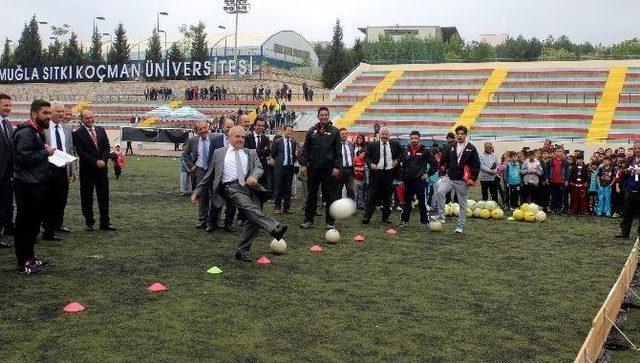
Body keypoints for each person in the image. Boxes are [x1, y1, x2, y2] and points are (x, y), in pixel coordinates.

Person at [191, 126, 288, 262]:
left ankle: (241, 251)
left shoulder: (250, 152)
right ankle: (275, 228)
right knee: (250, 208)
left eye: (242, 137)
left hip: (250, 188)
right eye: (237, 136)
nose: (240, 139)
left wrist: (254, 176)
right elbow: (208, 175)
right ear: (230, 137)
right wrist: (197, 191)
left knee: (253, 220)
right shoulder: (219, 153)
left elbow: (259, 167)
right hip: (231, 187)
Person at [13, 100, 56, 274]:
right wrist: (45, 152)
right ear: (34, 113)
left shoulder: (38, 132)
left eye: (49, 113)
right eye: (45, 113)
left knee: (33, 225)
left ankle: (30, 258)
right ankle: (22, 263)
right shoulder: (26, 133)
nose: (48, 117)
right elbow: (23, 159)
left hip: (37, 183)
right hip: (27, 185)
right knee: (25, 224)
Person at [299, 107, 342, 230]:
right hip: (313, 169)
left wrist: (336, 167)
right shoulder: (311, 131)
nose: (323, 117)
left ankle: (330, 222)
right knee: (312, 195)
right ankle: (308, 220)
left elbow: (338, 151)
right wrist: (303, 164)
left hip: (329, 169)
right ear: (318, 116)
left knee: (330, 196)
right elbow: (306, 149)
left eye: (325, 115)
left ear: (328, 116)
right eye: (321, 115)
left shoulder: (335, 131)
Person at [73, 110, 116, 231]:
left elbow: (106, 147)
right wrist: (95, 161)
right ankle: (89, 221)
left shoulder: (101, 130)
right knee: (87, 197)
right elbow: (81, 152)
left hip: (102, 170)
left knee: (104, 196)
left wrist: (103, 160)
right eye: (87, 118)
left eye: (91, 117)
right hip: (87, 170)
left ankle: (105, 222)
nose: (90, 119)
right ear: (82, 120)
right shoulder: (77, 134)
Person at [433, 125, 480, 233]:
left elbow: (476, 165)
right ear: (455, 135)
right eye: (458, 134)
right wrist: (443, 171)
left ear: (465, 135)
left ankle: (460, 226)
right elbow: (444, 160)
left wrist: (472, 178)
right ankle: (441, 216)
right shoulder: (450, 146)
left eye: (462, 134)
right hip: (449, 177)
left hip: (462, 180)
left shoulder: (471, 148)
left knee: (462, 204)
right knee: (440, 191)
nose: (459, 136)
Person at [42, 103, 75, 241]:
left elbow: (70, 150)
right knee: (48, 200)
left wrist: (72, 170)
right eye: (57, 111)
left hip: (63, 169)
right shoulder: (43, 128)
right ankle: (47, 229)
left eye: (62, 111)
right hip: (47, 169)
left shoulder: (67, 129)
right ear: (51, 112)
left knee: (62, 199)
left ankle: (58, 224)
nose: (61, 114)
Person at [362, 127, 402, 224]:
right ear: (380, 134)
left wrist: (397, 160)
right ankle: (366, 217)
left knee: (387, 197)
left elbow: (402, 153)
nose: (384, 136)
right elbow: (366, 157)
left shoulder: (395, 144)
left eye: (386, 134)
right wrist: (371, 164)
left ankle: (385, 218)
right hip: (376, 173)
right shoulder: (372, 145)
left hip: (389, 173)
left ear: (389, 135)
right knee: (371, 196)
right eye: (383, 134)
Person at [398, 131, 437, 228]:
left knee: (422, 203)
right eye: (412, 138)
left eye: (416, 138)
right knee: (407, 202)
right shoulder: (406, 150)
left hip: (420, 181)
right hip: (408, 181)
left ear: (419, 139)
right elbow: (403, 166)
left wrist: (428, 174)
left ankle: (424, 222)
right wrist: (402, 179)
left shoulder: (425, 151)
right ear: (409, 139)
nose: (414, 140)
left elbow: (435, 164)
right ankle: (404, 221)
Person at [182, 121, 217, 229]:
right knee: (202, 195)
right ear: (196, 131)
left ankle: (215, 220)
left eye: (205, 128)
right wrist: (191, 165)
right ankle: (202, 219)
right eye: (200, 129)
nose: (203, 130)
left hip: (214, 170)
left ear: (208, 127)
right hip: (200, 170)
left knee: (216, 195)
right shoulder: (193, 141)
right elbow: (185, 153)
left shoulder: (215, 138)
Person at [207, 118, 236, 233]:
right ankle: (211, 223)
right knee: (215, 202)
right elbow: (210, 159)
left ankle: (228, 225)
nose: (229, 129)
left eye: (231, 127)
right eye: (227, 127)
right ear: (223, 127)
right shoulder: (216, 140)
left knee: (231, 204)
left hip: (232, 178)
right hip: (218, 178)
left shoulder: (237, 140)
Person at [616, 141, 640, 239]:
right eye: (636, 148)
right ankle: (624, 232)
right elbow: (623, 173)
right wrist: (626, 171)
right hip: (630, 189)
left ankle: (639, 235)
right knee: (627, 212)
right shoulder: (629, 160)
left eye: (639, 148)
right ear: (633, 149)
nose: (637, 150)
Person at [271, 125, 297, 214]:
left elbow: (293, 155)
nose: (289, 132)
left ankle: (287, 207)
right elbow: (273, 154)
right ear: (284, 131)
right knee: (278, 187)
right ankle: (277, 207)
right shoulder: (278, 142)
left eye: (291, 131)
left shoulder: (293, 143)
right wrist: (277, 163)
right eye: (288, 130)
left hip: (289, 168)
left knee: (288, 188)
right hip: (280, 168)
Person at [0, 93, 14, 247]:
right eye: (5, 105)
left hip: (8, 174)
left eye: (10, 105)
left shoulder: (8, 124)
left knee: (6, 203)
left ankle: (7, 228)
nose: (8, 108)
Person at [244, 118, 272, 191]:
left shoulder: (266, 138)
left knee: (261, 190)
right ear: (254, 126)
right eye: (259, 125)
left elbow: (268, 152)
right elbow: (247, 151)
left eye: (262, 126)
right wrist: (262, 152)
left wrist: (255, 151)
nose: (261, 127)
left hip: (263, 167)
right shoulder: (247, 137)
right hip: (251, 167)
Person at [336, 128, 356, 200]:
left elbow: (353, 156)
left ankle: (351, 206)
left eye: (345, 133)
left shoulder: (351, 144)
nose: (344, 135)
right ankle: (338, 206)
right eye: (342, 134)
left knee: (351, 189)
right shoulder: (336, 145)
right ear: (339, 135)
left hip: (350, 170)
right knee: (338, 190)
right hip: (340, 170)